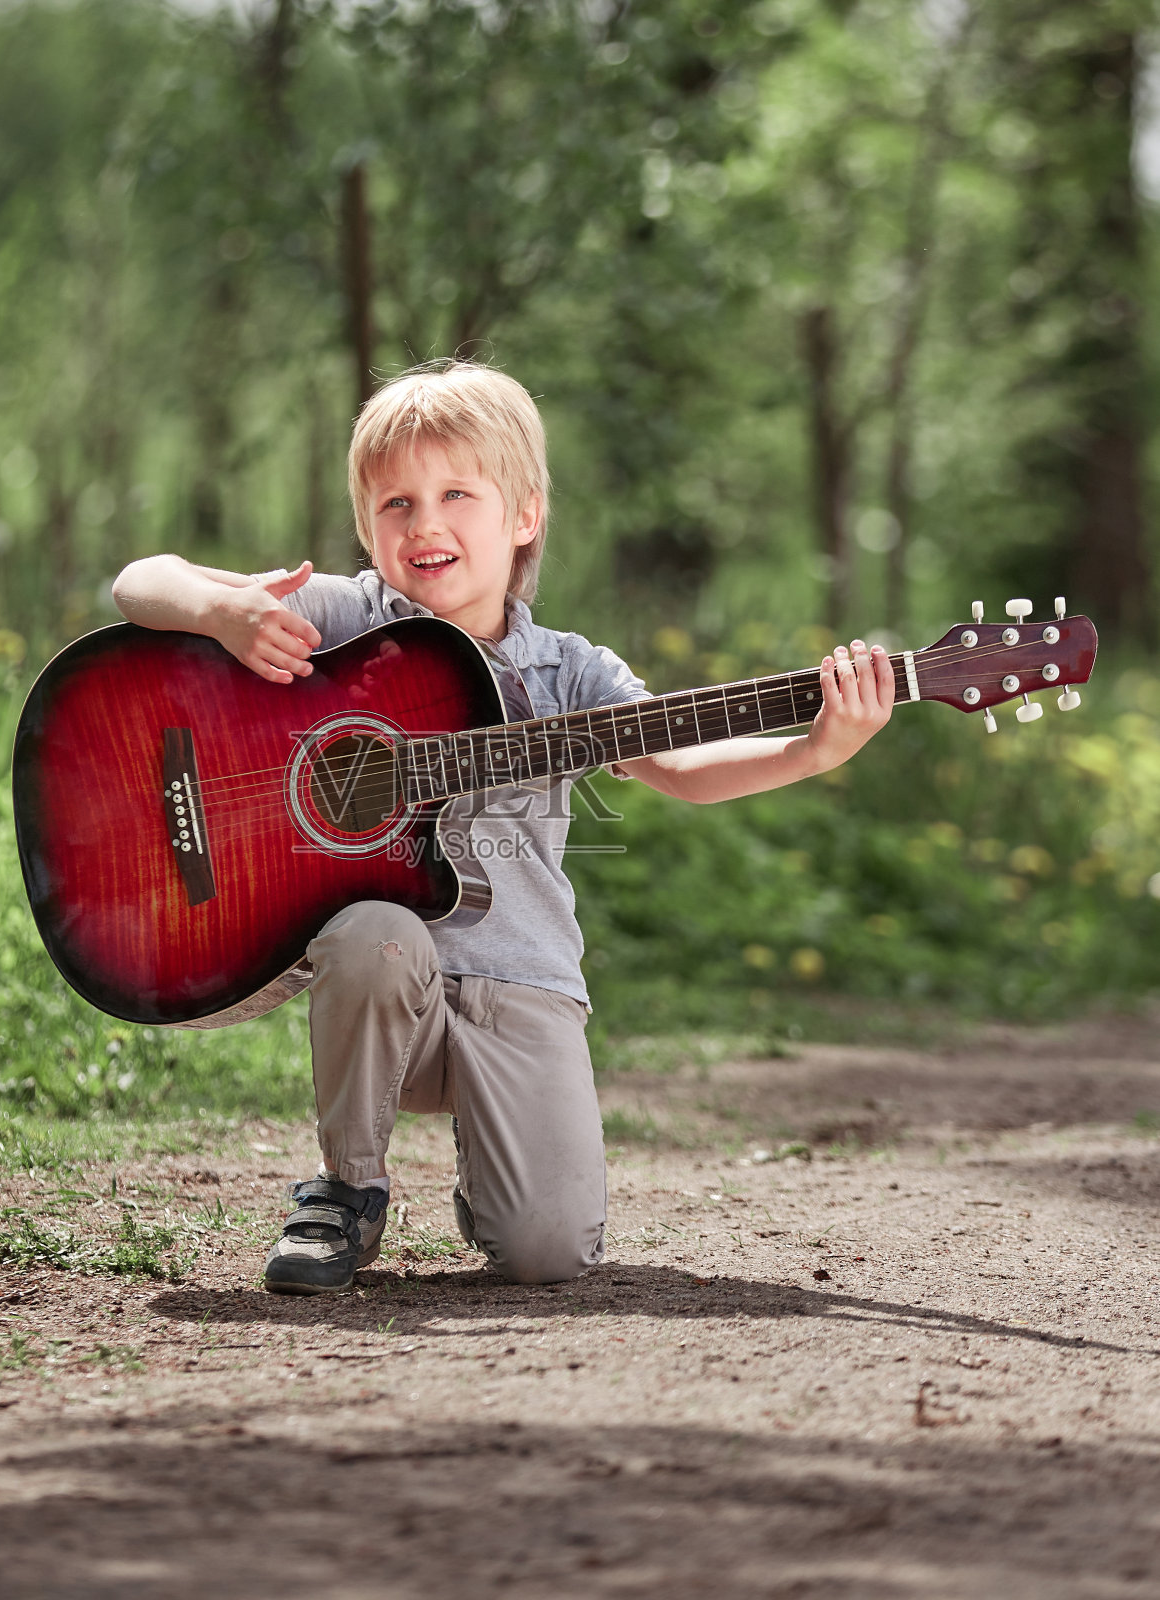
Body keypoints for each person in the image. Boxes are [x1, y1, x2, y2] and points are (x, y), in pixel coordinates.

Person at [112, 360, 894, 1295]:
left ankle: (495, 1176)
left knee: (547, 1254)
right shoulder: (345, 621)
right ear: (369, 527)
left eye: (455, 494)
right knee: (377, 931)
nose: (424, 523)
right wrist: (221, 610)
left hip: (524, 989)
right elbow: (138, 581)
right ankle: (346, 1191)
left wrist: (815, 749)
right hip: (397, 1001)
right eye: (395, 503)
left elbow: (679, 767)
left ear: (522, 516)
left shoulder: (569, 673)